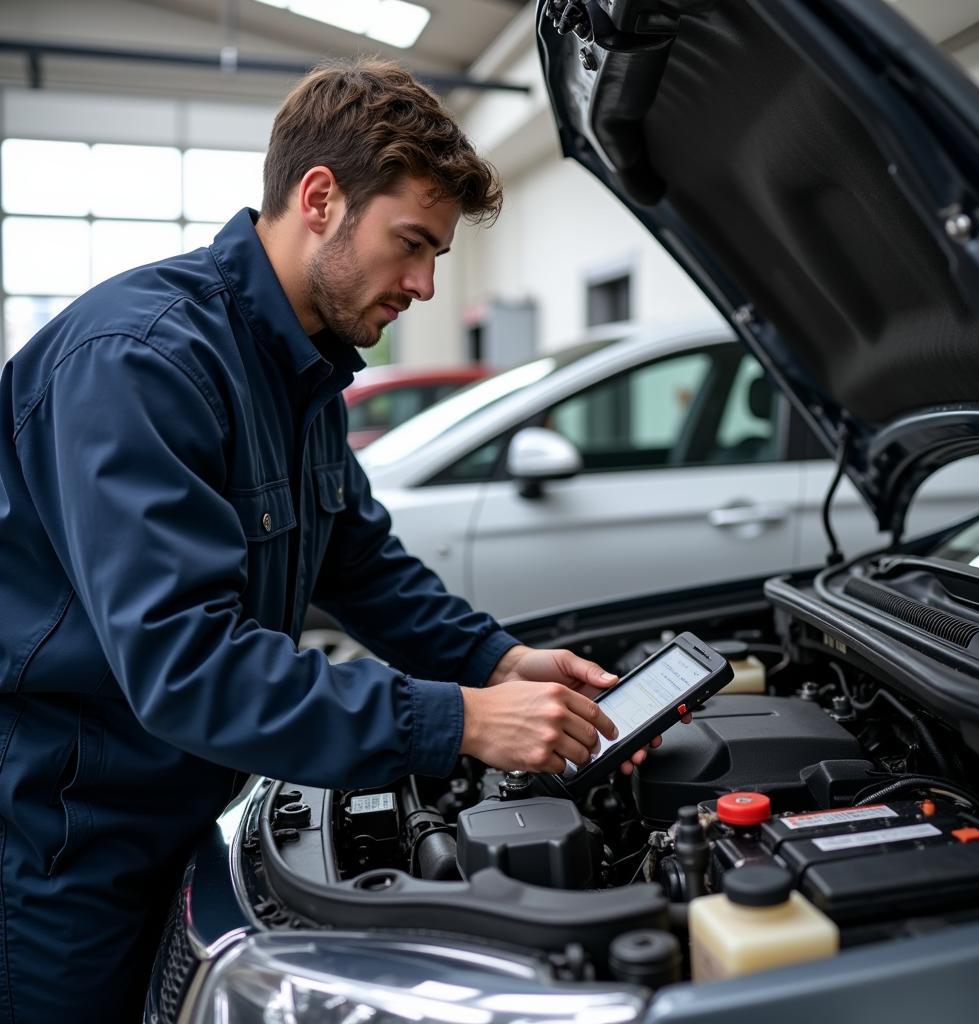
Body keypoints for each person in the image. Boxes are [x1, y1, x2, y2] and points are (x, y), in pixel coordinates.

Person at [0, 59, 661, 1021]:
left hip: (178, 808)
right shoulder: (141, 362)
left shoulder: (297, 368)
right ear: (321, 199)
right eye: (412, 244)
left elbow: (362, 563)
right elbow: (189, 666)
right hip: (64, 839)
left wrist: (505, 661)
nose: (427, 285)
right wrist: (462, 721)